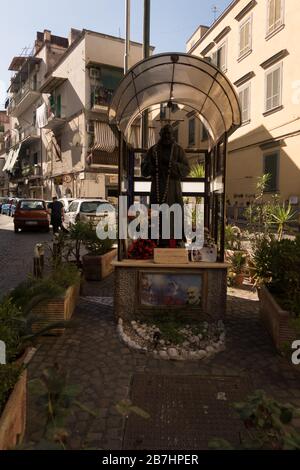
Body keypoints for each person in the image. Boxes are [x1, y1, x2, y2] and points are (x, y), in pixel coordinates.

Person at [141, 124, 190, 246]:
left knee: (174, 217)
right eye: (165, 133)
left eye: (169, 133)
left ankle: (176, 243)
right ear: (160, 135)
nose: (167, 136)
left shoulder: (178, 150)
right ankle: (155, 243)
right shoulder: (153, 151)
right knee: (157, 218)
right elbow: (144, 170)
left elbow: (186, 169)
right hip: (157, 189)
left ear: (173, 135)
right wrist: (154, 167)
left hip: (173, 191)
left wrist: (172, 165)